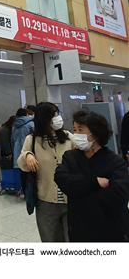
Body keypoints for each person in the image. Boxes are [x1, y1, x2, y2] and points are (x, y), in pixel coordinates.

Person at [55, 111, 129, 242]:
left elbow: (119, 195)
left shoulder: (115, 161)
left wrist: (80, 190)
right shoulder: (70, 157)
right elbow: (62, 180)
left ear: (95, 134)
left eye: (80, 130)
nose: (76, 134)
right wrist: (95, 183)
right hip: (79, 228)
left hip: (110, 228)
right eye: (74, 130)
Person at [17, 102, 74, 242]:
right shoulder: (32, 140)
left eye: (57, 114)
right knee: (50, 240)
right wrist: (27, 155)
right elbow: (21, 164)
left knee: (72, 240)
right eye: (53, 115)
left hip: (71, 198)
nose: (57, 118)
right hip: (46, 201)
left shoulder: (68, 137)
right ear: (44, 119)